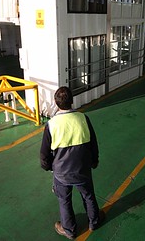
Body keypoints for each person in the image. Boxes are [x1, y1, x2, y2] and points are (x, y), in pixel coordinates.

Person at [40, 86, 101, 239]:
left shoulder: (51, 124)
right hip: (83, 170)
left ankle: (69, 230)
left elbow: (44, 153)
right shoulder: (83, 118)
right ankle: (94, 222)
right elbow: (93, 143)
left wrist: (47, 167)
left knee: (64, 200)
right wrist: (94, 161)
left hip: (61, 173)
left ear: (56, 102)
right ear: (72, 101)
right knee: (88, 196)